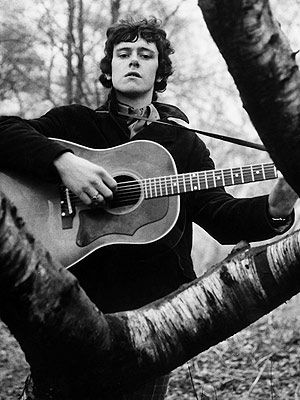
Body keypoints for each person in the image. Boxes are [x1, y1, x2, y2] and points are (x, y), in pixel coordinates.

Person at [0, 17, 298, 400]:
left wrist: (276, 206)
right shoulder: (75, 123)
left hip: (151, 318)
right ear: (110, 68)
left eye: (145, 54)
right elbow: (5, 131)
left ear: (160, 71)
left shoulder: (183, 143)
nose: (134, 61)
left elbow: (220, 215)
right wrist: (63, 162)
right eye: (124, 54)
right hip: (73, 305)